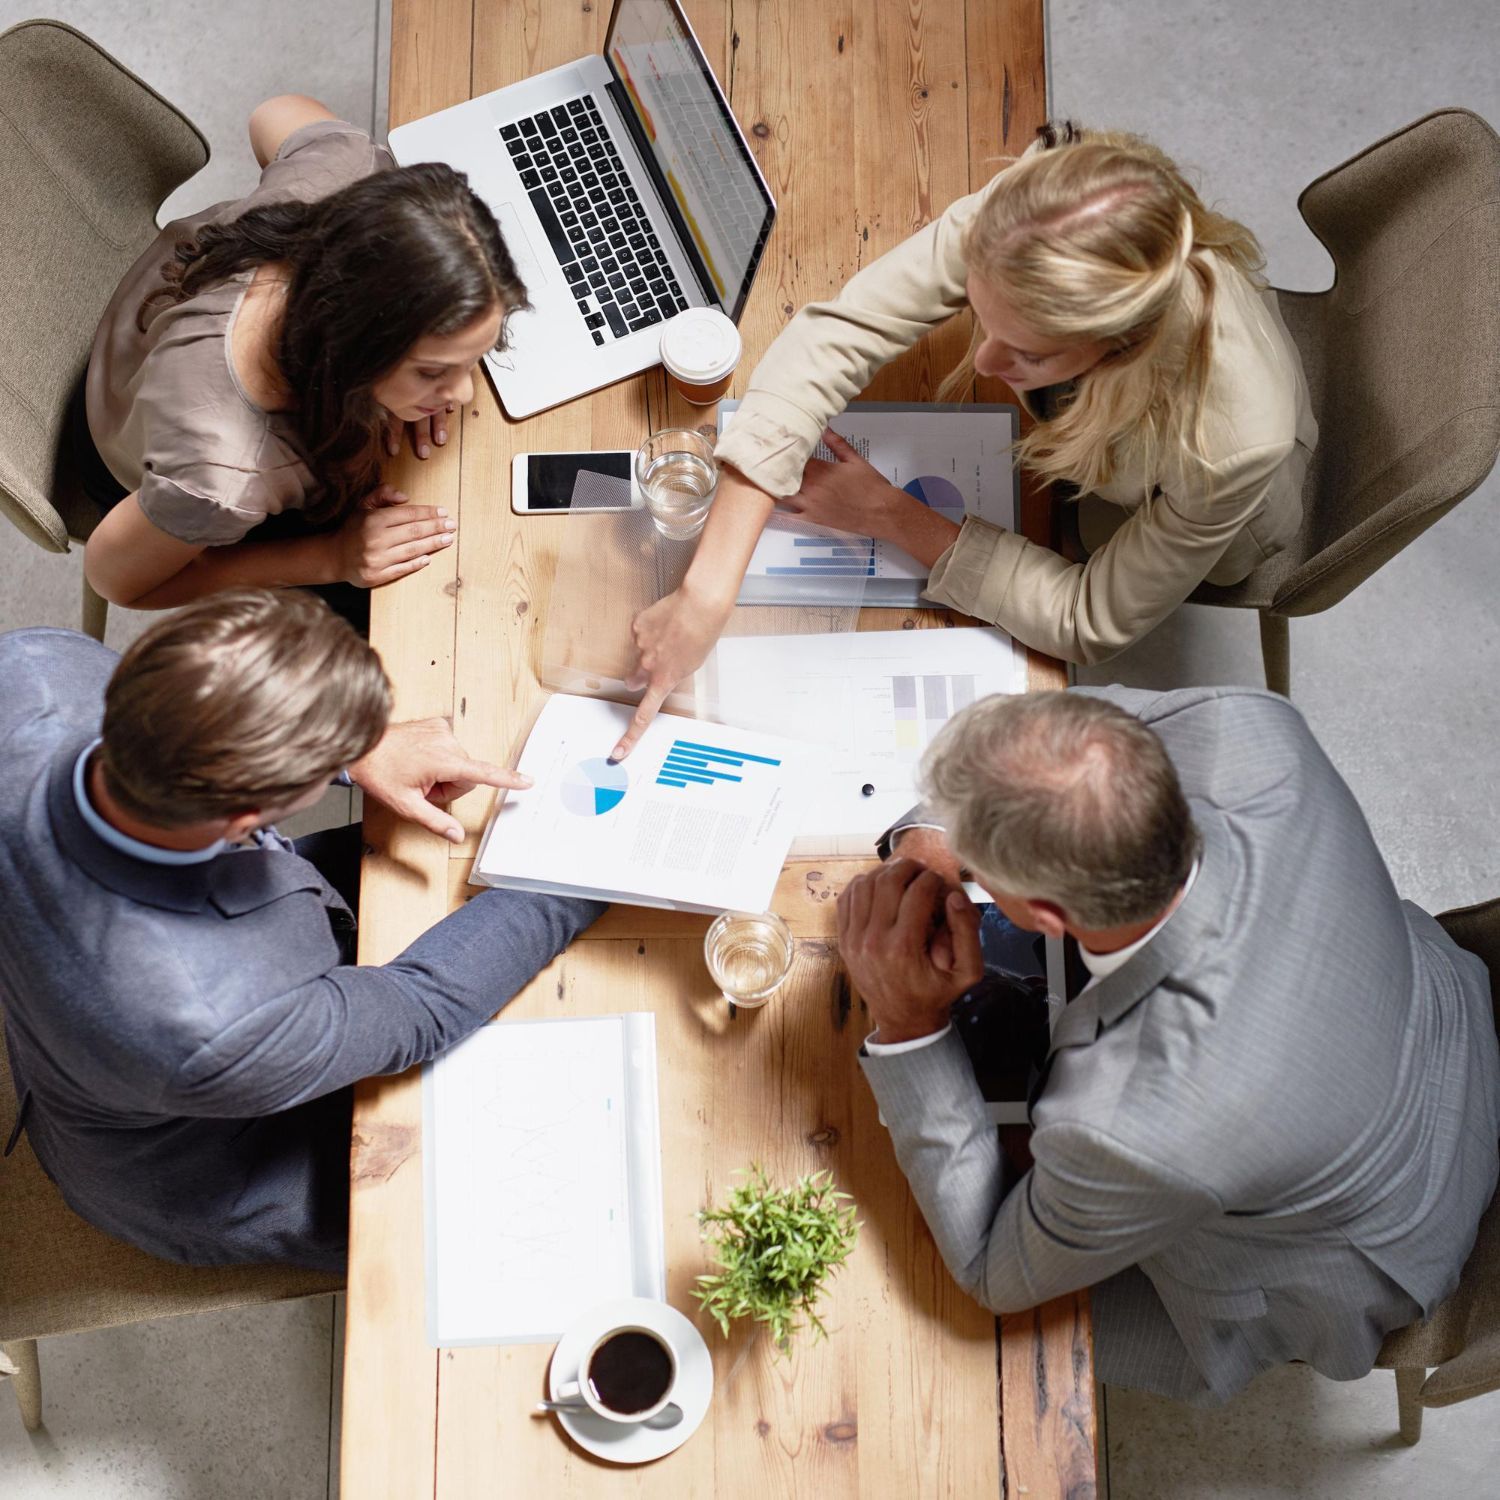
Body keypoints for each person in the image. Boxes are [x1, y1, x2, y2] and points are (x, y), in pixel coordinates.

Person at [836, 686, 1499, 1404]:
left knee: (917, 1318)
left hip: (1365, 1247)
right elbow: (1073, 731)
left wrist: (908, 1024)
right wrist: (933, 830)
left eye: (974, 865)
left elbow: (992, 1271)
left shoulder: (1127, 1127)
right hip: (1431, 1010)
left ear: (1046, 915)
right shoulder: (1247, 727)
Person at [610, 121, 1318, 759]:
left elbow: (1088, 618)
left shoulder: (1228, 444)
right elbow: (841, 333)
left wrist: (890, 516)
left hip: (1231, 524)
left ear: (1120, 349)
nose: (983, 365)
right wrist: (707, 593)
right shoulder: (1041, 207)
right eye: (980, 312)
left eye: (1027, 354)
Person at [0, 589, 603, 1272]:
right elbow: (419, 1009)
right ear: (246, 815)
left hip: (102, 1002)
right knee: (534, 1202)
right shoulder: (206, 1021)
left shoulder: (31, 669)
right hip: (220, 1152)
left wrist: (352, 753)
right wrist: (587, 862)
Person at [79, 95, 527, 628]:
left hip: (153, 317)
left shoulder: (341, 183)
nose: (463, 394)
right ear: (352, 350)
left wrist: (436, 358)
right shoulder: (222, 476)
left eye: (472, 358)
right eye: (432, 371)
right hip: (138, 455)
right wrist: (331, 557)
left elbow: (270, 112)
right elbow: (114, 578)